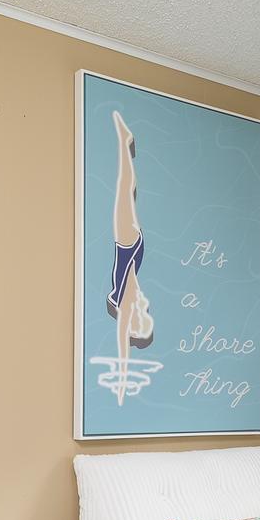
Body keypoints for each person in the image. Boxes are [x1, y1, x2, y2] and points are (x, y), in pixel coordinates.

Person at [101, 109, 156, 403]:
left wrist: (122, 382)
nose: (145, 307)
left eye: (142, 315)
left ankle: (124, 141)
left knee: (126, 190)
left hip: (128, 249)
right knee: (128, 192)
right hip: (133, 251)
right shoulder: (130, 297)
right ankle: (125, 140)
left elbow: (123, 341)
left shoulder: (125, 303)